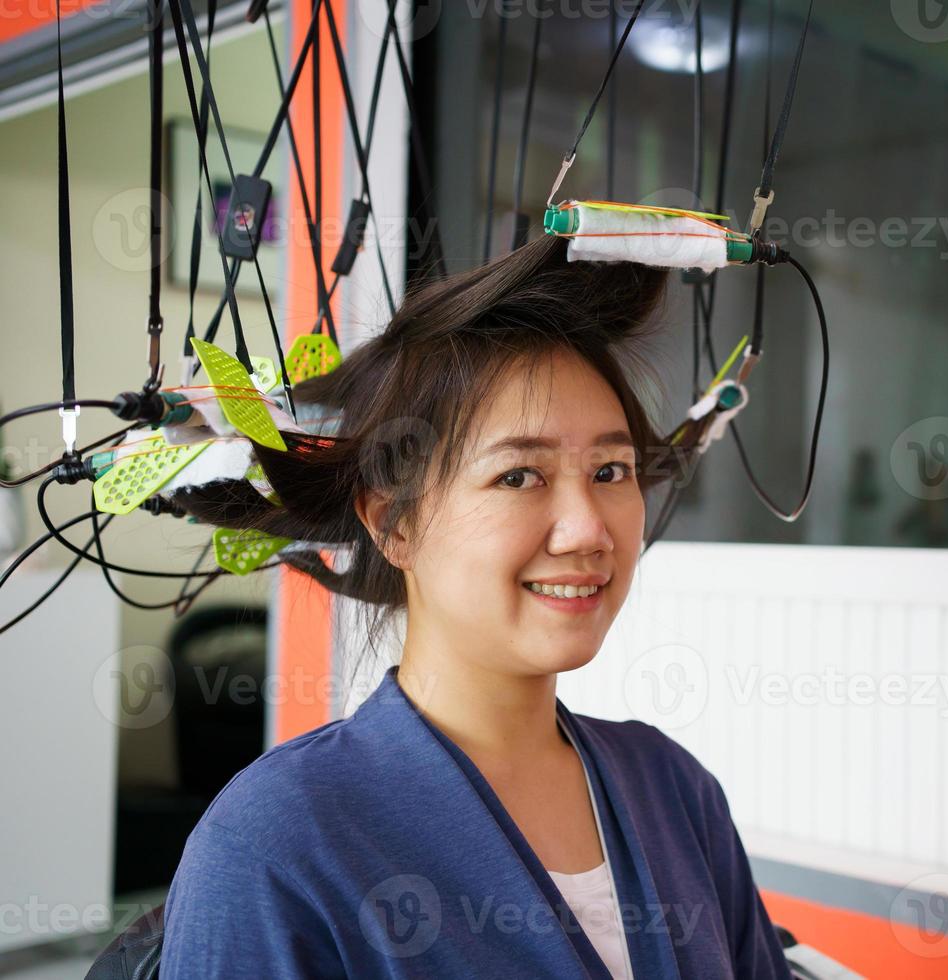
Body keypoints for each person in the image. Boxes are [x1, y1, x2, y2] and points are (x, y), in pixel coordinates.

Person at [158, 234, 793, 978]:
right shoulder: (280, 840)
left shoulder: (675, 790)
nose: (590, 529)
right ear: (392, 521)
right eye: (519, 476)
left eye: (612, 470)